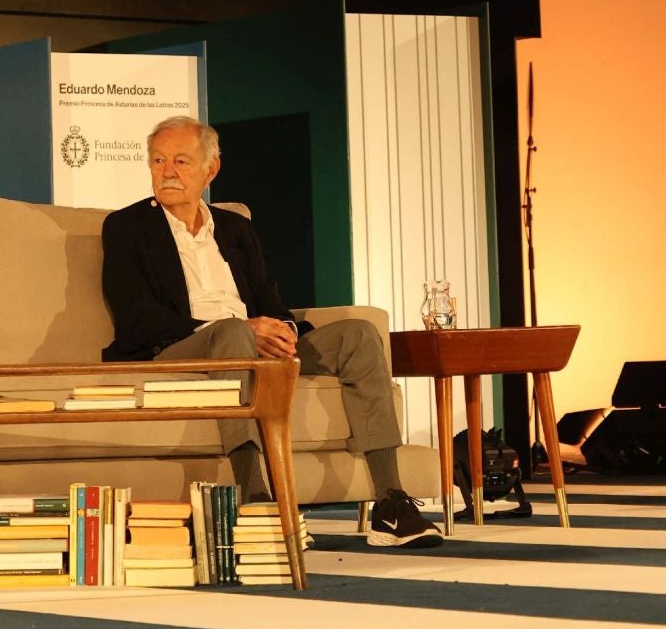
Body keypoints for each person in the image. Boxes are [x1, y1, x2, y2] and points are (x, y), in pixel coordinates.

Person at [101, 114, 443, 547]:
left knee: (356, 334)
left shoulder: (234, 228)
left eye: (181, 161)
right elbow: (136, 318)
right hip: (180, 348)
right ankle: (256, 500)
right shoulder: (128, 227)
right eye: (158, 160)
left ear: (211, 168)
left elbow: (269, 300)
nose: (167, 171)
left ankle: (391, 503)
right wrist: (242, 329)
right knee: (233, 333)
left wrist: (282, 330)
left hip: (250, 344)